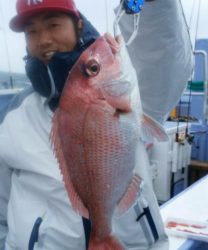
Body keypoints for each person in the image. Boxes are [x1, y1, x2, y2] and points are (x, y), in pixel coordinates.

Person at [0, 0, 169, 249]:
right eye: (31, 31)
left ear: (79, 25)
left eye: (53, 24)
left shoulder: (134, 87)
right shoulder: (12, 116)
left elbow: (163, 58)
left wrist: (154, 7)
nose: (43, 39)